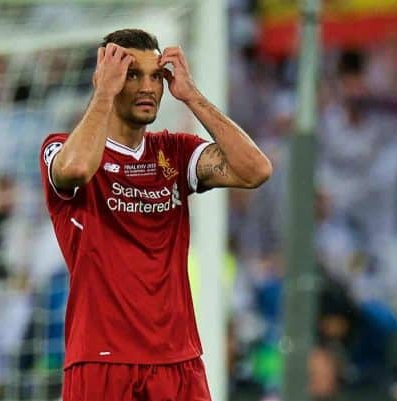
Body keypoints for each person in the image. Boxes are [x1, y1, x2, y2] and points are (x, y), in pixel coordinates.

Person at [38, 29, 272, 401]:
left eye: (155, 75)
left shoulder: (175, 152)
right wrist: (103, 94)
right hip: (102, 360)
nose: (147, 87)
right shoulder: (61, 149)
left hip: (178, 360)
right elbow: (78, 168)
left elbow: (255, 170)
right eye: (132, 74)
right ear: (105, 77)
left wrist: (192, 96)